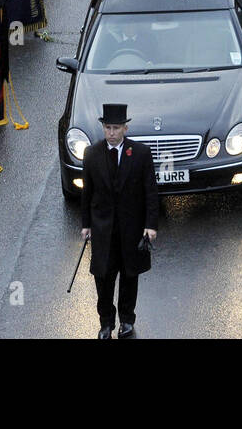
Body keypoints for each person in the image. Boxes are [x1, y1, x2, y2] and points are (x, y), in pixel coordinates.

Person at [80, 103, 158, 339]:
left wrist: (151, 225)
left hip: (131, 228)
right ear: (103, 128)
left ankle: (126, 320)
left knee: (129, 275)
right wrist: (86, 225)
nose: (111, 132)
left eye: (116, 128)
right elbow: (87, 193)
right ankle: (106, 323)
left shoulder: (141, 154)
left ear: (125, 128)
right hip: (103, 229)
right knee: (102, 277)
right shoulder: (92, 154)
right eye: (107, 128)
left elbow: (150, 193)